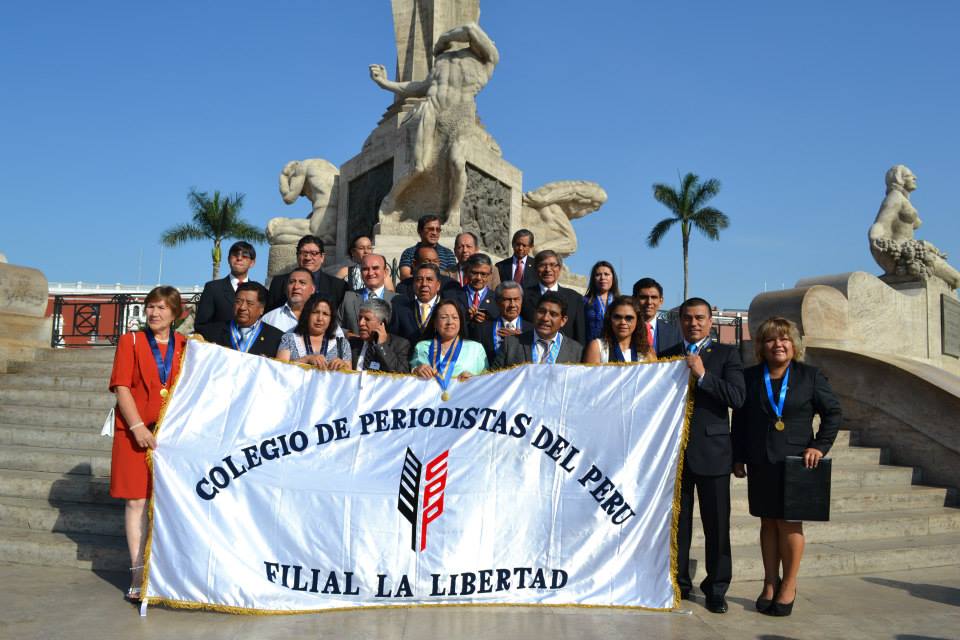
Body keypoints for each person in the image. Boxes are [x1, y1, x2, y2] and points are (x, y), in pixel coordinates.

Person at [732, 317, 841, 617]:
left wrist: (819, 446)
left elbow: (833, 413)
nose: (778, 345)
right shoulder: (751, 376)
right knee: (767, 522)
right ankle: (770, 582)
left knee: (790, 524)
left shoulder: (810, 376)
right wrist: (738, 456)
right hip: (760, 461)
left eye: (784, 339)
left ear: (794, 345)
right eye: (770, 339)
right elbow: (740, 420)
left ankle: (789, 584)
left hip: (797, 462)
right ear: (761, 346)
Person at [658, 297, 745, 614]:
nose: (693, 323)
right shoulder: (666, 356)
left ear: (711, 321)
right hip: (674, 454)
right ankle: (678, 583)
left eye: (699, 318)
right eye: (687, 318)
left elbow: (737, 397)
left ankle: (717, 588)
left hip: (713, 453)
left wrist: (704, 375)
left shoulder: (726, 354)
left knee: (717, 526)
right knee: (677, 525)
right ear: (680, 321)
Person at [369, 22, 499, 229]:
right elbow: (420, 87)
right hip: (432, 111)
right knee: (418, 166)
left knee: (457, 161)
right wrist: (384, 83)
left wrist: (442, 40)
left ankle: (453, 211)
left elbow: (470, 28)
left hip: (460, 114)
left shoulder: (488, 59)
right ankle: (390, 201)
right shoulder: (443, 60)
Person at [108, 286, 187, 602]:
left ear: (176, 313)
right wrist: (138, 426)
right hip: (134, 434)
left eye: (162, 308)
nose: (154, 313)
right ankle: (138, 573)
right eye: (151, 307)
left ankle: (168, 571)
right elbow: (122, 387)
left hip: (172, 438)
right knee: (136, 502)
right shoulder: (131, 341)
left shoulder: (188, 346)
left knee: (169, 503)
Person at [411, 299, 488, 390]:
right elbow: (410, 380)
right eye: (444, 317)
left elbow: (487, 382)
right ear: (435, 323)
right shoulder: (421, 347)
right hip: (429, 402)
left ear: (460, 322)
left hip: (465, 400)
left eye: (455, 317)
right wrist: (416, 371)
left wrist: (474, 380)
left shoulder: (476, 348)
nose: (450, 322)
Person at [493, 292, 583, 367]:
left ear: (563, 321)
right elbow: (493, 379)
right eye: (541, 312)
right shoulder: (511, 344)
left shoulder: (576, 351)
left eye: (553, 314)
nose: (545, 318)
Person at [520, 250, 587, 345]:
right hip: (530, 352)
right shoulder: (523, 296)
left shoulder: (575, 298)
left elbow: (580, 335)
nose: (548, 269)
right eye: (543, 265)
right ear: (535, 269)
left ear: (559, 269)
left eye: (553, 265)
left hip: (565, 356)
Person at [194, 241, 257, 340]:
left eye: (244, 256)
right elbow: (201, 325)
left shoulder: (258, 291)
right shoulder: (213, 288)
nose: (239, 258)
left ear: (252, 263)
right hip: (221, 349)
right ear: (228, 259)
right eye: (235, 255)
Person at [267, 235, 346, 311]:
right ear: (297, 256)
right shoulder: (279, 283)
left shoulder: (338, 286)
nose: (308, 258)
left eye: (313, 253)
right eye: (303, 253)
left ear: (322, 257)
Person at [276, 294, 351, 370]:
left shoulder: (342, 345)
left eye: (325, 314)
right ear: (307, 314)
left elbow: (350, 378)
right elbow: (279, 370)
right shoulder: (289, 340)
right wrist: (306, 360)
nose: (320, 318)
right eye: (315, 312)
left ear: (331, 319)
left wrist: (343, 366)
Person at [210, 282, 283, 357]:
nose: (242, 307)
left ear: (262, 309)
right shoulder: (212, 332)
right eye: (238, 302)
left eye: (249, 303)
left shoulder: (276, 339)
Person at [582, 296, 655, 363]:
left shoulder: (647, 351)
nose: (623, 322)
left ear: (637, 321)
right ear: (610, 319)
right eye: (617, 317)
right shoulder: (597, 347)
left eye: (629, 318)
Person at [339, 254, 396, 336]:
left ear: (385, 272)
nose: (370, 273)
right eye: (365, 269)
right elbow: (335, 326)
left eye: (375, 268)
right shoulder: (348, 297)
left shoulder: (397, 300)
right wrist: (348, 334)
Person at [349, 298, 411, 373]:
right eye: (360, 318)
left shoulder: (400, 344)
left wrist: (382, 346)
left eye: (367, 319)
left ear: (383, 323)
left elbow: (400, 373)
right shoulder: (352, 344)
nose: (361, 323)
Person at [469, 280, 525, 363]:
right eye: (507, 300)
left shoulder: (531, 330)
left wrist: (522, 338)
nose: (512, 305)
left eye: (516, 299)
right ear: (497, 302)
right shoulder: (482, 329)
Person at [390, 263, 444, 345]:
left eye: (429, 279)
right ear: (413, 284)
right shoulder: (401, 311)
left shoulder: (447, 309)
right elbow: (394, 342)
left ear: (438, 285)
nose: (424, 284)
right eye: (419, 279)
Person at [395, 215, 457, 280]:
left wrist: (432, 271)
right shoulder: (409, 253)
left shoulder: (448, 253)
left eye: (438, 230)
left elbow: (453, 277)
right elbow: (405, 277)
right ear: (420, 231)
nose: (435, 233)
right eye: (430, 229)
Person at [446, 253, 500, 327]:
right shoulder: (452, 296)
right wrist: (465, 318)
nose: (478, 278)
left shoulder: (497, 299)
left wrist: (487, 320)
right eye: (474, 273)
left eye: (483, 274)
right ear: (466, 272)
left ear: (490, 275)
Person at [632, 277, 682, 353]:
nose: (649, 302)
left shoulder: (674, 332)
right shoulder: (625, 329)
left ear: (661, 301)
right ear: (634, 299)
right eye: (643, 297)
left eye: (654, 297)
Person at [262, 267, 316, 333]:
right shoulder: (269, 318)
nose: (296, 286)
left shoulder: (321, 317)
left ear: (312, 289)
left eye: (302, 282)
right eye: (292, 282)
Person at [584, 260, 620, 343]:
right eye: (598, 275)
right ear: (593, 279)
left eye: (606, 274)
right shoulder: (585, 302)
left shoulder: (620, 302)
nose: (602, 278)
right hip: (591, 348)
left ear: (613, 278)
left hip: (615, 348)